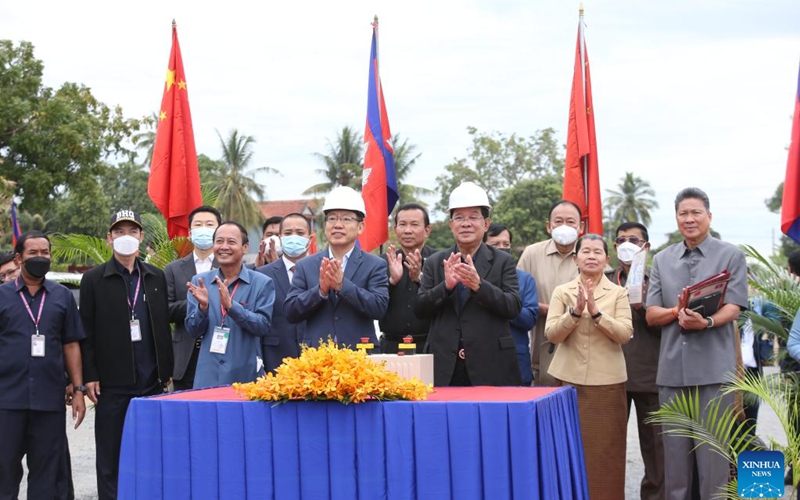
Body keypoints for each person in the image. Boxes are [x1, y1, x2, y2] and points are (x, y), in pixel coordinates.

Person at [645, 187, 748, 500]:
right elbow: (651, 314)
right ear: (676, 219)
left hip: (714, 373)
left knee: (713, 460)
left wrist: (707, 322)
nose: (689, 219)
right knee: (674, 462)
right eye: (683, 214)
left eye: (695, 213)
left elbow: (734, 306)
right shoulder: (662, 259)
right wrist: (677, 312)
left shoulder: (731, 255)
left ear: (709, 216)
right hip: (671, 374)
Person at [79, 209, 174, 500]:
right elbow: (86, 332)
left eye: (132, 232)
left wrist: (166, 369)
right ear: (109, 239)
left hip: (151, 382)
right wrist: (90, 375)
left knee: (149, 452)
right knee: (109, 455)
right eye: (119, 232)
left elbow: (162, 325)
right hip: (111, 385)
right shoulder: (94, 279)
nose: (126, 238)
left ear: (141, 237)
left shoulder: (155, 276)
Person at [545, 233, 633, 500]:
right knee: (566, 450)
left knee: (605, 453)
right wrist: (574, 313)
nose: (592, 256)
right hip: (566, 381)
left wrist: (596, 313)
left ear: (607, 259)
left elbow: (625, 334)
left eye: (598, 252)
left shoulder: (618, 292)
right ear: (575, 258)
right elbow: (552, 334)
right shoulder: (562, 291)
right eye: (586, 251)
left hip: (606, 385)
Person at [0, 231, 86, 499]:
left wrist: (79, 388)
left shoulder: (62, 296)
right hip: (6, 400)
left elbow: (71, 343)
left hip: (48, 400)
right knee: (4, 471)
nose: (40, 258)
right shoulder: (2, 295)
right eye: (33, 253)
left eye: (45, 253)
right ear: (19, 258)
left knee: (47, 473)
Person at [414, 182, 522, 386]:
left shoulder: (503, 260)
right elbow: (420, 309)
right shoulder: (436, 261)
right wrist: (445, 287)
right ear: (450, 224)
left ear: (486, 224)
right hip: (445, 364)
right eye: (459, 218)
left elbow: (513, 307)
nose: (466, 223)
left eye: (473, 217)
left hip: (491, 363)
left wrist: (479, 286)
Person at [284, 186, 389, 349]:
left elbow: (379, 308)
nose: (338, 225)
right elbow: (291, 312)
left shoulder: (375, 265)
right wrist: (320, 291)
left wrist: (343, 286)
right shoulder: (306, 265)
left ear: (360, 227)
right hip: (317, 358)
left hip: (361, 356)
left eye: (346, 219)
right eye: (332, 218)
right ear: (325, 225)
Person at [607, 221, 664, 500]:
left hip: (650, 375)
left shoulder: (659, 280)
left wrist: (643, 309)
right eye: (620, 240)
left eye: (633, 239)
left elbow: (668, 327)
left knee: (656, 449)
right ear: (615, 247)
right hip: (609, 376)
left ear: (645, 246)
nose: (626, 244)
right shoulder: (604, 279)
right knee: (608, 446)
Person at [186, 221, 274, 388]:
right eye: (219, 241)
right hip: (208, 376)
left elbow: (262, 327)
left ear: (245, 247)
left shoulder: (262, 283)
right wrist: (202, 309)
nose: (224, 246)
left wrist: (232, 307)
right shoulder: (200, 282)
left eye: (231, 242)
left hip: (245, 378)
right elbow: (193, 330)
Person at [517, 200, 582, 386]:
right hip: (541, 345)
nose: (564, 226)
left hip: (580, 347)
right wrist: (551, 310)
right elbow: (516, 298)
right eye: (558, 221)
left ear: (581, 226)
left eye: (570, 222)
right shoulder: (531, 254)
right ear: (548, 226)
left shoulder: (589, 255)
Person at [164, 205, 222, 391]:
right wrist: (197, 302)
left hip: (219, 350)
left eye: (209, 224)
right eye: (198, 224)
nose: (204, 229)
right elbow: (166, 310)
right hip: (185, 356)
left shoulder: (229, 266)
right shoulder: (173, 269)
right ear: (189, 232)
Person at [256, 213, 312, 372]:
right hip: (275, 358)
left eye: (300, 233)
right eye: (288, 233)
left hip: (316, 357)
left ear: (310, 238)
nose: (294, 237)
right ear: (280, 238)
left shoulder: (322, 269)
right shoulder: (262, 274)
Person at [484, 223, 539, 385]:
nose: (502, 248)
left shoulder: (524, 279)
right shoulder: (474, 277)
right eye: (495, 245)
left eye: (506, 244)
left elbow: (529, 319)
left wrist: (500, 301)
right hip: (481, 362)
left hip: (516, 362)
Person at [380, 203, 436, 354]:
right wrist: (391, 282)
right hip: (391, 346)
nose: (408, 230)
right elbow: (376, 304)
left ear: (427, 230)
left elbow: (443, 300)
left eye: (414, 224)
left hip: (429, 346)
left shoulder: (439, 261)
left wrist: (420, 278)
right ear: (395, 229)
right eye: (402, 224)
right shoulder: (381, 263)